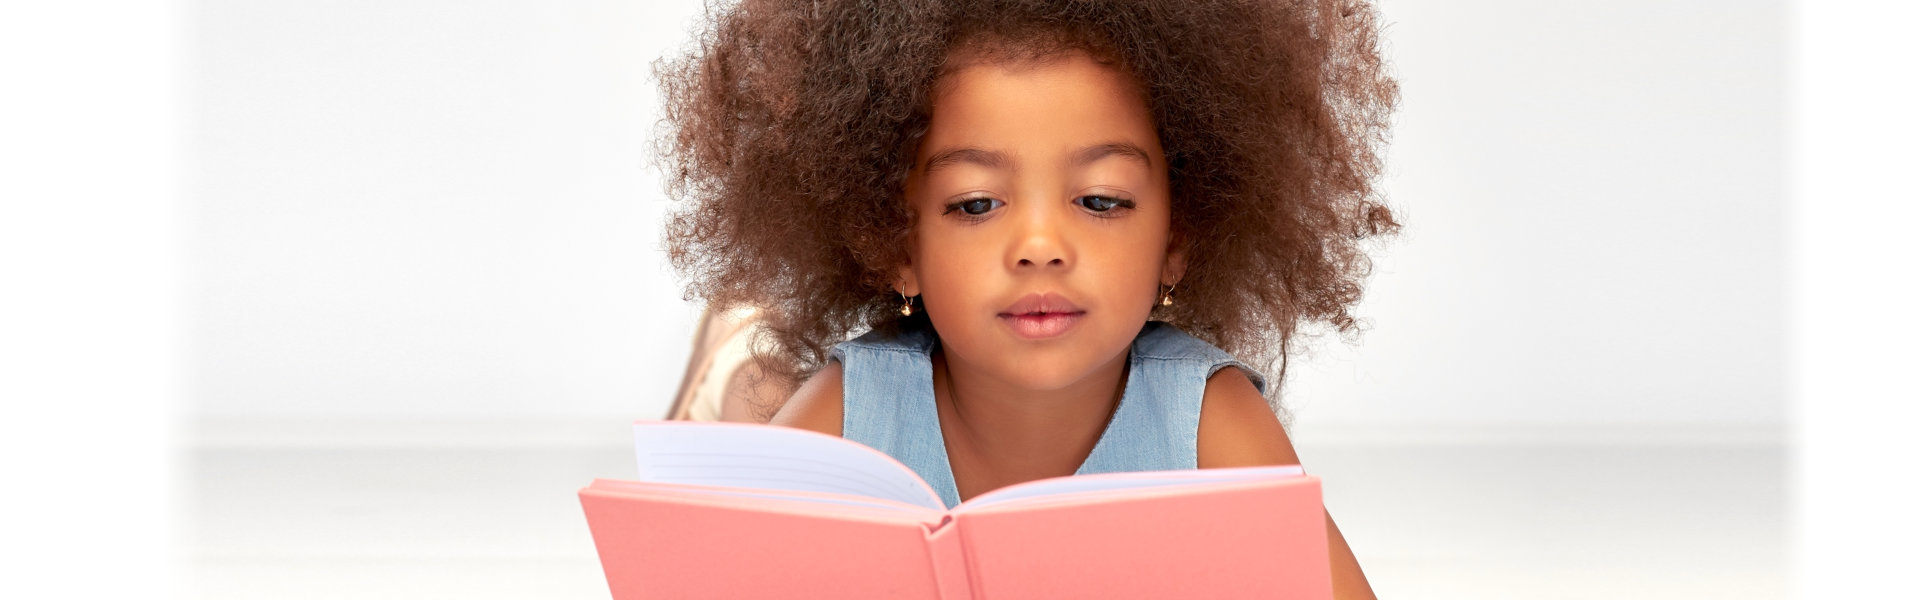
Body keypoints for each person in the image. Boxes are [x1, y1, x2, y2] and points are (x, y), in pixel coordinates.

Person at [657, 1, 1397, 597]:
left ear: (1180, 234)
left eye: (1101, 200)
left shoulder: (1209, 423)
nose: (1040, 245)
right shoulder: (848, 415)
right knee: (761, 430)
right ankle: (740, 369)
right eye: (977, 204)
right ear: (896, 246)